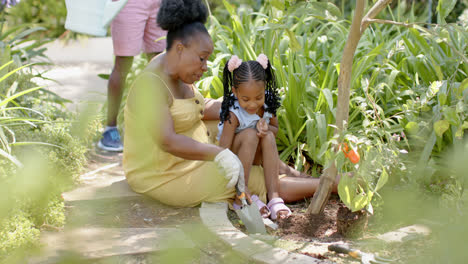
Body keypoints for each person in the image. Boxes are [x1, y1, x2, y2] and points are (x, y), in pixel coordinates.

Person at [123, 0, 331, 221]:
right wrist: (220, 154)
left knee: (244, 123)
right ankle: (331, 184)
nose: (205, 67)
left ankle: (286, 170)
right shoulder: (151, 85)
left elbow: (199, 109)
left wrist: (246, 102)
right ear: (180, 49)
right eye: (202, 59)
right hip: (165, 173)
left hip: (193, 146)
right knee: (256, 179)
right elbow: (168, 141)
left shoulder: (176, 69)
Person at [217, 54, 290, 220]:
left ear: (264, 89)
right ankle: (241, 194)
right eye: (245, 99)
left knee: (269, 136)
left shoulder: (267, 104)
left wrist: (266, 128)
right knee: (250, 134)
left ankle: (274, 196)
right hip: (235, 156)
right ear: (235, 92)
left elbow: (276, 130)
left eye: (258, 97)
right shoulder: (233, 113)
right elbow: (223, 150)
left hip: (256, 157)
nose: (252, 104)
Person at [98, 0, 167, 152]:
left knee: (160, 64)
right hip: (129, 4)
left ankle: (156, 126)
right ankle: (110, 129)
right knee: (123, 64)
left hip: (159, 4)